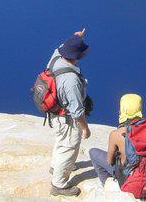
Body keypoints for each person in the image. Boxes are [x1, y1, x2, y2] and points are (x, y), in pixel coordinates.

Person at [89, 94, 146, 199]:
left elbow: (109, 161)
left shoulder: (116, 134)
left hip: (130, 185)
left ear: (122, 110)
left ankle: (107, 184)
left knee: (93, 152)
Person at [48, 29, 91, 197]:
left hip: (55, 114)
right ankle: (58, 185)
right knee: (69, 146)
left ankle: (56, 166)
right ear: (77, 56)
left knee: (61, 141)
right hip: (66, 118)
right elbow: (77, 110)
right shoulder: (70, 80)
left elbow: (62, 46)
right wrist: (85, 128)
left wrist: (77, 37)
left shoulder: (56, 57)